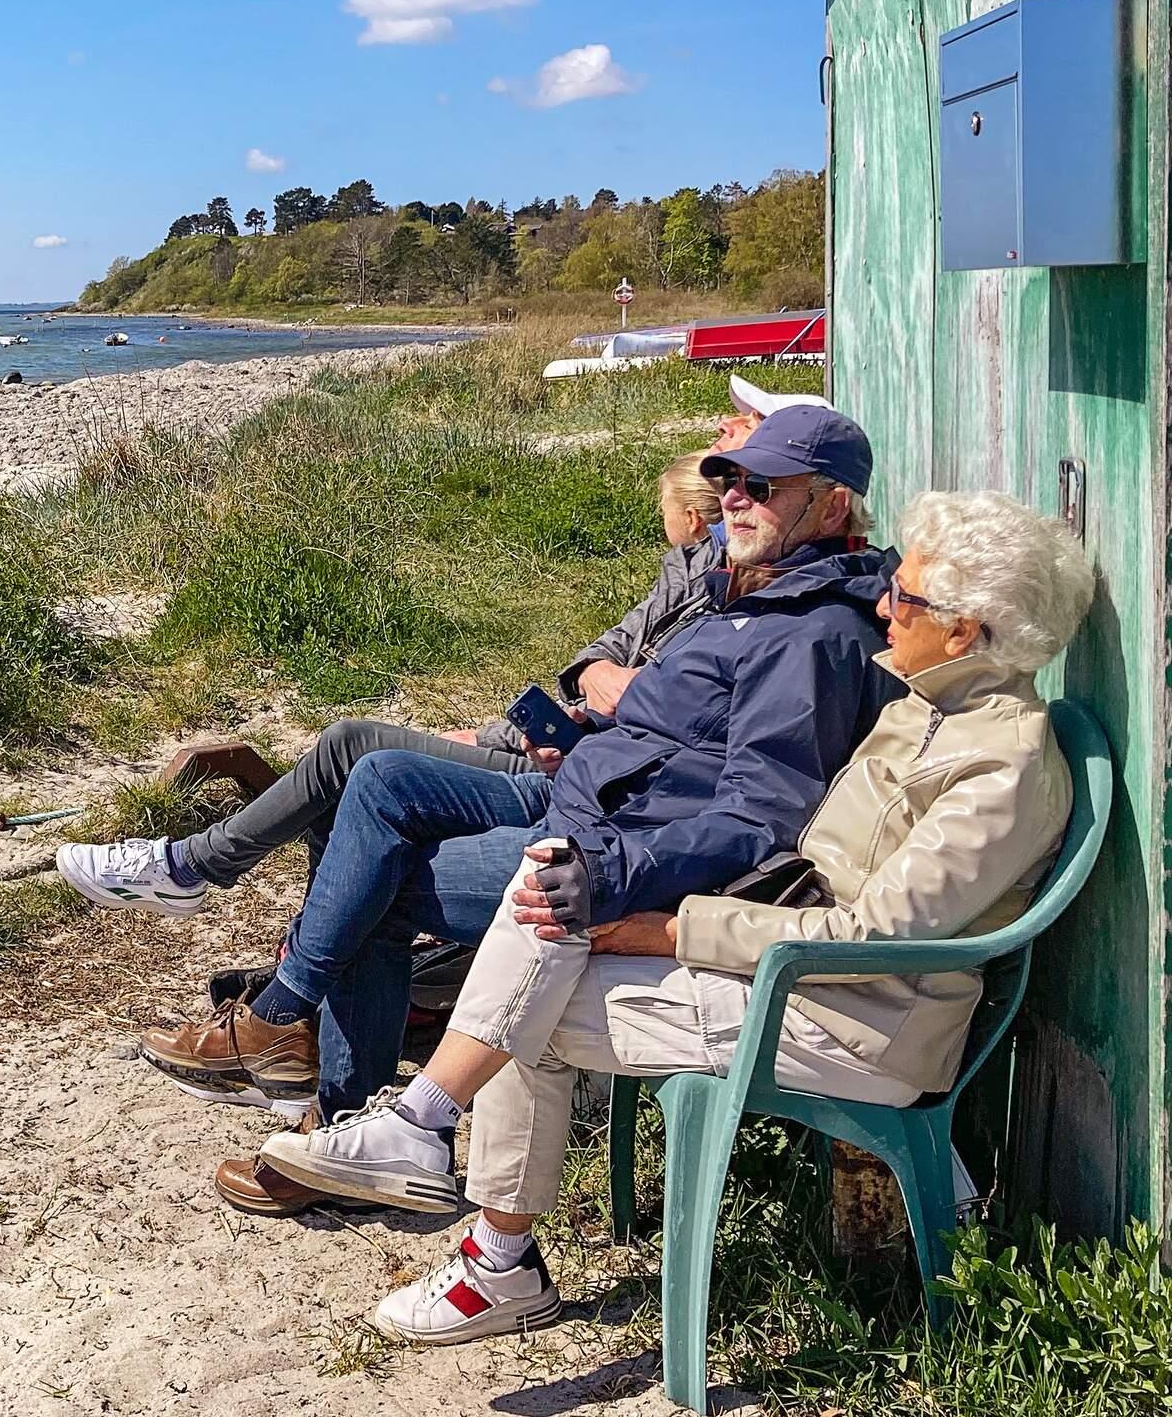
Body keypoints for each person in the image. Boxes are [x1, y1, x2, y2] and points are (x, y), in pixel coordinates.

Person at [257, 489, 1093, 1343]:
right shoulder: (929, 708)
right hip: (794, 969)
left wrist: (672, 929)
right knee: (548, 891)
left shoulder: (1001, 770)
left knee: (524, 1008)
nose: (884, 605)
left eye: (904, 596)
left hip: (855, 1021)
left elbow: (867, 940)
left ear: (962, 631)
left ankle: (475, 1225)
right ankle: (431, 1149)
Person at [148, 405, 896, 1212]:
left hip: (613, 852)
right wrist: (583, 734)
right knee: (382, 776)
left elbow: (759, 815)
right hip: (586, 799)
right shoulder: (756, 597)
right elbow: (682, 734)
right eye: (732, 480)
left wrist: (609, 870)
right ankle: (298, 1048)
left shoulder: (811, 636)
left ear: (831, 507)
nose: (736, 498)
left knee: (375, 885)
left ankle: (331, 1103)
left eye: (764, 486)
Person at [53, 375, 816, 918]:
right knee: (352, 770)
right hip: (574, 756)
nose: (723, 432)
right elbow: (601, 656)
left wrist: (532, 723)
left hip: (581, 781)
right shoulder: (705, 566)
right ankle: (284, 978)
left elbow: (664, 729)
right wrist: (588, 679)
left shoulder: (757, 598)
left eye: (742, 428)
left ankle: (206, 884)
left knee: (356, 755)